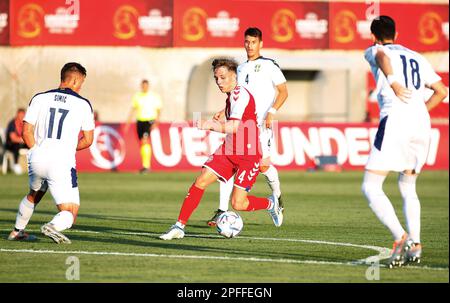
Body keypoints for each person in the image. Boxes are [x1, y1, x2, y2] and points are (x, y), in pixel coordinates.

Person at [159, 58, 283, 240]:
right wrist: (222, 114)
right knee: (201, 180)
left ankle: (270, 204)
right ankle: (179, 226)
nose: (219, 82)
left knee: (238, 203)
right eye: (216, 78)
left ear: (234, 76)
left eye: (223, 77)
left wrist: (208, 125)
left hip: (248, 154)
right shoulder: (231, 96)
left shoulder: (241, 95)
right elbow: (235, 121)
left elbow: (233, 127)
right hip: (230, 149)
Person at [362, 16, 447, 268]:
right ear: (396, 34)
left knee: (371, 186)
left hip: (396, 119)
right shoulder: (417, 57)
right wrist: (420, 112)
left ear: (373, 36)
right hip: (420, 123)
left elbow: (382, 57)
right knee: (408, 186)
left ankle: (401, 238)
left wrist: (393, 81)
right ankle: (416, 245)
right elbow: (442, 91)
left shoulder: (375, 49)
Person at [207, 27, 288, 226]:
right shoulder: (240, 69)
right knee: (228, 163)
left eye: (253, 42)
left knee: (263, 166)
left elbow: (283, 92)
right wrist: (222, 109)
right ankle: (222, 210)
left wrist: (273, 112)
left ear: (260, 44)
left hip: (262, 124)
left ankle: (277, 197)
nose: (249, 46)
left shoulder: (269, 66)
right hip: (242, 126)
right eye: (247, 42)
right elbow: (237, 96)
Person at [7, 62, 95, 243]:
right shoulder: (83, 104)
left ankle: (17, 231)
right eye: (82, 83)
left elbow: (26, 132)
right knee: (70, 213)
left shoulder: (39, 98)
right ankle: (53, 226)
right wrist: (69, 146)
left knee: (34, 194)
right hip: (61, 161)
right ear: (76, 80)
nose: (81, 87)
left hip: (37, 156)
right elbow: (88, 140)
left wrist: (35, 152)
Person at [125, 79, 162, 173]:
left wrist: (156, 121)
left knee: (145, 141)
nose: (144, 87)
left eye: (146, 86)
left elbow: (158, 110)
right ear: (141, 86)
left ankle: (146, 166)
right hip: (140, 121)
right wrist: (128, 122)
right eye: (143, 86)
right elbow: (133, 109)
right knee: (142, 142)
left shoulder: (153, 96)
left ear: (148, 86)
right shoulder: (137, 96)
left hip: (149, 120)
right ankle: (144, 165)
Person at [4, 108, 28, 174]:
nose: (22, 117)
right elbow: (13, 138)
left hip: (22, 143)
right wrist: (22, 139)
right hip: (11, 144)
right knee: (16, 145)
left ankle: (33, 165)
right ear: (17, 115)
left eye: (23, 115)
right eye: (21, 115)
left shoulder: (25, 124)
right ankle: (16, 164)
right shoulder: (12, 124)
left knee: (31, 145)